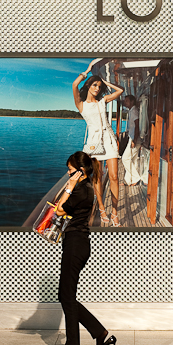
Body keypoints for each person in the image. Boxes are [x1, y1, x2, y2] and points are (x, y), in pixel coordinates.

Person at [50, 151, 117, 345]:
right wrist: (72, 184)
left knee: (67, 296)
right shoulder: (83, 187)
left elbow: (59, 210)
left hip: (76, 244)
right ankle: (99, 333)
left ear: (80, 171)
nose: (68, 173)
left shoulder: (81, 189)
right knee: (65, 295)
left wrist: (70, 185)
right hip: (76, 243)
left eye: (70, 170)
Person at [72, 66, 124, 226]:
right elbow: (74, 85)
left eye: (99, 86)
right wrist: (86, 71)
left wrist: (105, 81)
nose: (97, 88)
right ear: (88, 85)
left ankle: (114, 212)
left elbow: (120, 91)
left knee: (114, 177)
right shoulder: (81, 105)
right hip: (94, 144)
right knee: (97, 178)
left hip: (108, 140)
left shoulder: (103, 100)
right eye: (94, 85)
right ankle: (101, 208)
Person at [121, 95, 142, 186]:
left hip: (134, 138)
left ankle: (136, 178)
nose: (125, 103)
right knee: (132, 160)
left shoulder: (134, 111)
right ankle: (128, 180)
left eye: (127, 101)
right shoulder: (131, 111)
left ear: (132, 102)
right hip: (132, 137)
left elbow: (137, 125)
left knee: (125, 158)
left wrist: (134, 139)